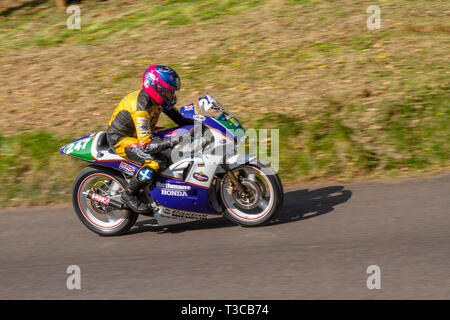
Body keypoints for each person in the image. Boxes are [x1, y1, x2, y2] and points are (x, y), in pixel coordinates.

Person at [106, 65, 193, 213]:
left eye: (172, 91)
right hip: (121, 139)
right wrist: (174, 140)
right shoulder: (142, 108)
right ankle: (129, 193)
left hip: (141, 134)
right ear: (156, 88)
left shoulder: (157, 99)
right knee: (157, 161)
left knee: (176, 143)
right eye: (168, 91)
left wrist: (202, 123)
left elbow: (179, 119)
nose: (171, 95)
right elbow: (146, 145)